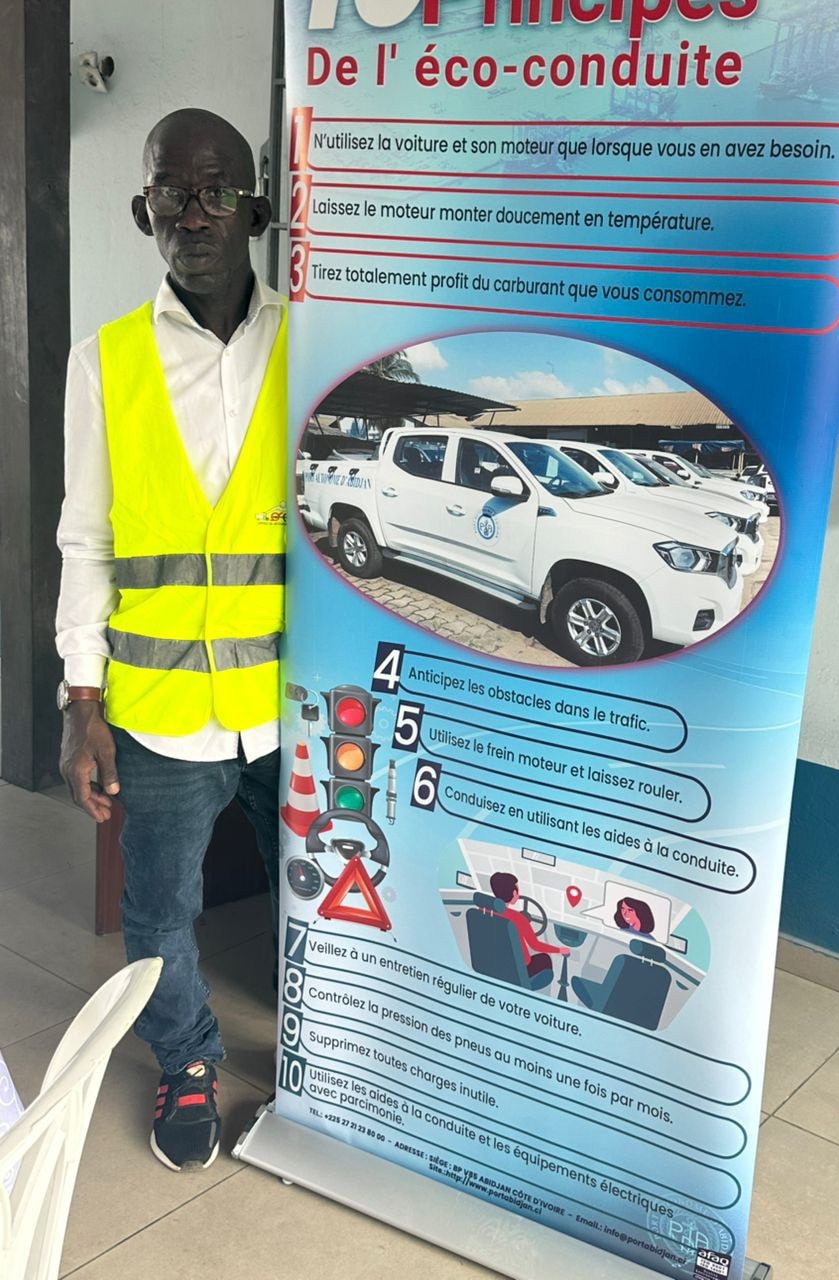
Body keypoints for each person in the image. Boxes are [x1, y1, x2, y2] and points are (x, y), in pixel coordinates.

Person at [56, 108, 285, 1172]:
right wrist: (80, 701)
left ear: (258, 210)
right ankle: (187, 1056)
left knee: (330, 896)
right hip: (157, 710)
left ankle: (327, 1056)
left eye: (217, 191)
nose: (194, 215)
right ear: (141, 209)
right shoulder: (103, 361)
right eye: (171, 193)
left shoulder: (317, 345)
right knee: (157, 912)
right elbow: (86, 539)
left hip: (297, 704)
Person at [488, 872, 570, 978]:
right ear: (514, 893)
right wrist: (559, 950)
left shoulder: (484, 911)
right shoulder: (518, 918)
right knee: (545, 959)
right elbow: (535, 945)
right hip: (519, 970)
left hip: (495, 965)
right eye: (517, 891)